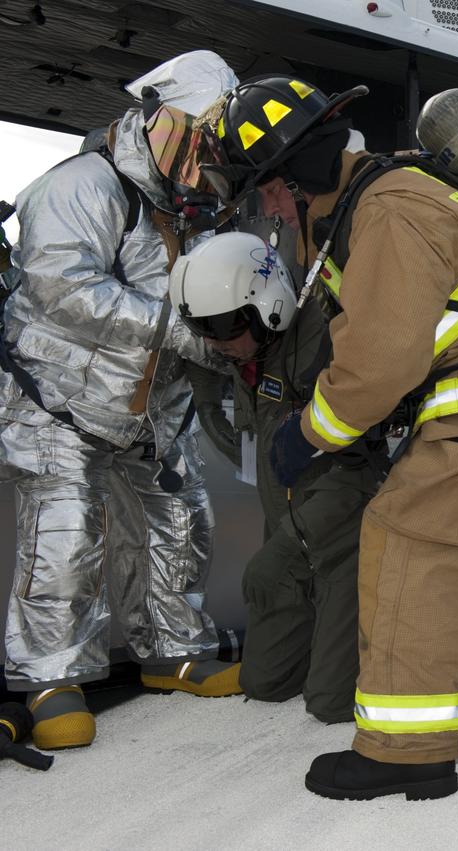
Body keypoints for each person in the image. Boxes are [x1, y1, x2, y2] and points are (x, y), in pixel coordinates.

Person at [202, 74, 458, 799]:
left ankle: (405, 748)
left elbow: (380, 361)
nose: (268, 206)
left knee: (404, 535)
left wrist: (307, 436)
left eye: (266, 187)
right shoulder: (372, 201)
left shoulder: (386, 209)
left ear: (294, 173)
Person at [0, 51, 245, 750]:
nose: (204, 153)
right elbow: (62, 289)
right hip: (55, 399)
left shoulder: (191, 207)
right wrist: (188, 334)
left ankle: (171, 647)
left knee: (179, 522)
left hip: (150, 408)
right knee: (65, 535)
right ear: (154, 117)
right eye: (196, 133)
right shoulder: (80, 186)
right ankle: (50, 678)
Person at [171, 230, 382, 723]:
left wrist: (286, 551)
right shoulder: (252, 350)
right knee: (263, 684)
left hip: (338, 542)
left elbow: (355, 477)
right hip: (287, 526)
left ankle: (379, 641)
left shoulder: (322, 349)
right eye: (203, 330)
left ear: (267, 307)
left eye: (222, 328)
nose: (214, 343)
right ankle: (325, 645)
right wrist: (206, 394)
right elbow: (209, 354)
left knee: (329, 704)